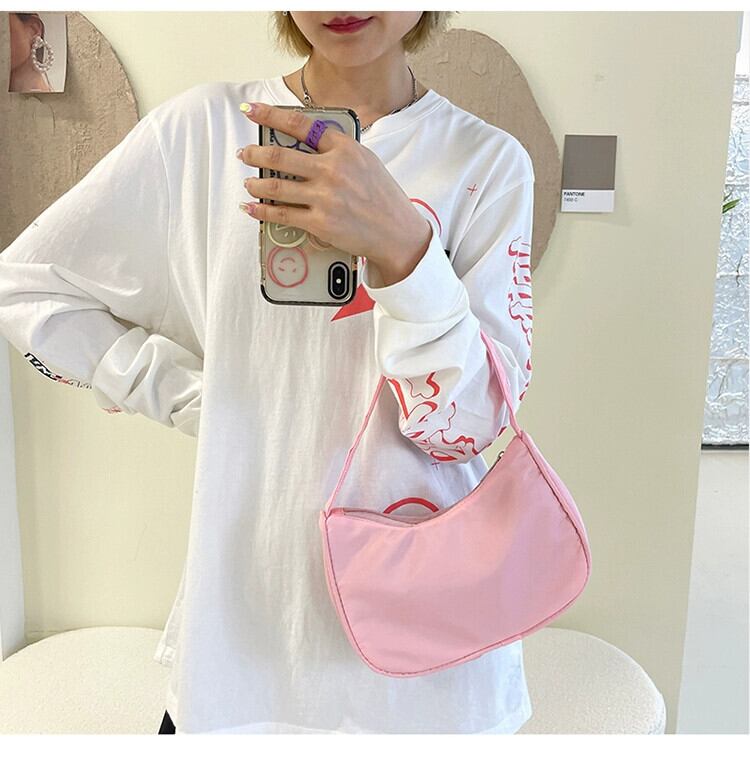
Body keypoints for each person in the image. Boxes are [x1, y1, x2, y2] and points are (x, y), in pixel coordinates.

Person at [0, 11, 536, 734]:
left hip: (430, 663)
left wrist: (406, 248)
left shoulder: (487, 162)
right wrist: (193, 396)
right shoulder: (200, 133)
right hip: (244, 644)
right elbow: (27, 286)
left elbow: (465, 429)